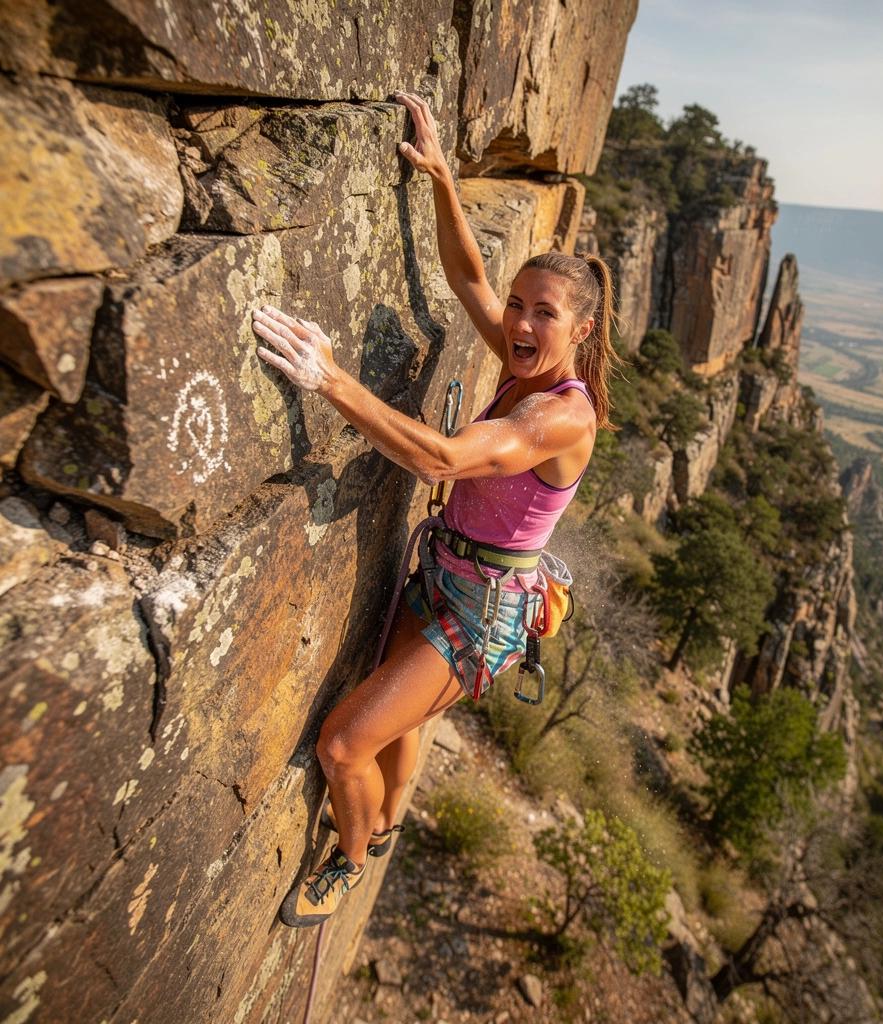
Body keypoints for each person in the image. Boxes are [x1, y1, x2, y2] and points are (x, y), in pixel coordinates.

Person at [252, 90, 621, 928]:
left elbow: (443, 459)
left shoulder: (559, 415)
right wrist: (444, 179)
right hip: (446, 573)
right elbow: (467, 280)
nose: (519, 321)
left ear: (582, 331)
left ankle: (350, 859)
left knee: (344, 743)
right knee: (403, 724)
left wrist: (328, 379)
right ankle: (382, 825)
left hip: (483, 612)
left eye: (544, 313)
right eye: (520, 305)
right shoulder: (523, 359)